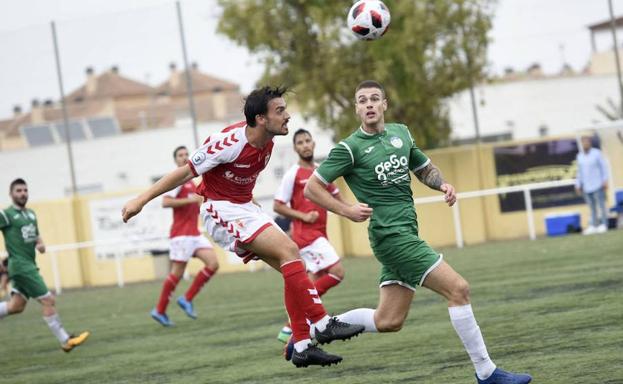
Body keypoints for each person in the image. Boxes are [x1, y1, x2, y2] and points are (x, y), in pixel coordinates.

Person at [303, 80, 532, 384]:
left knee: (388, 320)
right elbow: (312, 187)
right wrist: (346, 210)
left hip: (406, 232)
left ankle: (317, 330)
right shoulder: (350, 148)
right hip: (390, 236)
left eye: (374, 98)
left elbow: (423, 167)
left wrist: (443, 184)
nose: (369, 104)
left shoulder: (401, 133)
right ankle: (486, 372)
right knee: (458, 289)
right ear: (357, 109)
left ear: (384, 104)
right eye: (362, 100)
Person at [122, 86, 364, 368]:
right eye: (280, 111)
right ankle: (322, 324)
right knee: (289, 249)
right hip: (219, 210)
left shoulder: (269, 144)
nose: (287, 116)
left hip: (245, 209)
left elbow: (240, 181)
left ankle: (301, 345)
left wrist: (250, 207)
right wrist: (140, 200)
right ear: (261, 118)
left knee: (293, 267)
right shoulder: (228, 142)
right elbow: (185, 172)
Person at [273, 129, 346, 343]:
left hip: (320, 234)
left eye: (307, 141)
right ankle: (306, 322)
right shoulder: (292, 174)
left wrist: (352, 210)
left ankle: (290, 331)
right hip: (307, 237)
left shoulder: (321, 172)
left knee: (310, 285)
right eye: (300, 142)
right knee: (338, 272)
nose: (305, 145)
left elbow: (336, 197)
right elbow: (278, 205)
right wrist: (303, 216)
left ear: (313, 144)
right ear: (295, 148)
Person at [0, 178, 89, 352]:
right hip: (20, 266)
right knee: (48, 300)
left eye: (25, 190)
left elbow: (36, 235)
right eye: (18, 191)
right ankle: (65, 340)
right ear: (11, 194)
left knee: (16, 306)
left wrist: (40, 243)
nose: (22, 193)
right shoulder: (7, 215)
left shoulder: (31, 214)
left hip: (28, 264)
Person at [150, 146, 220, 326]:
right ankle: (159, 310)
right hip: (181, 235)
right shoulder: (176, 180)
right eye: (180, 155)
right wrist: (190, 200)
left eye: (186, 154)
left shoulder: (190, 181)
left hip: (194, 234)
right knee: (177, 274)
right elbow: (165, 202)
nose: (184, 157)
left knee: (213, 264)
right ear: (175, 160)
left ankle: (187, 298)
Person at [575, 135, 610, 235]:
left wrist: (605, 180)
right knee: (591, 207)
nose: (585, 144)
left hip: (598, 184)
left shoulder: (597, 153)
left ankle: (604, 224)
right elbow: (579, 172)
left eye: (587, 142)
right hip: (586, 186)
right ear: (581, 144)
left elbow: (603, 168)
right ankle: (594, 226)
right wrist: (578, 184)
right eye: (583, 142)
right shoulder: (579, 156)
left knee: (601, 205)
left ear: (590, 143)